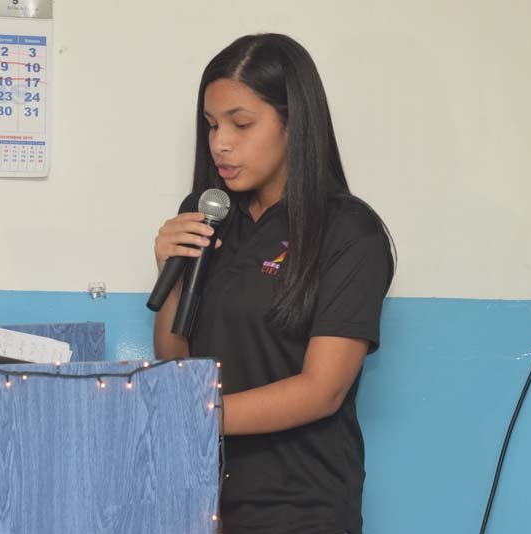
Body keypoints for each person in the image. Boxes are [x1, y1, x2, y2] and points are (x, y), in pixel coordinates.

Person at [152, 33, 396, 534]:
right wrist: (170, 276)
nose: (220, 142)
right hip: (203, 499)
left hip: (301, 509)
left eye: (241, 124)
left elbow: (321, 390)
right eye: (212, 124)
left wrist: (198, 414)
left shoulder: (350, 232)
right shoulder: (206, 215)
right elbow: (179, 369)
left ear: (293, 123)